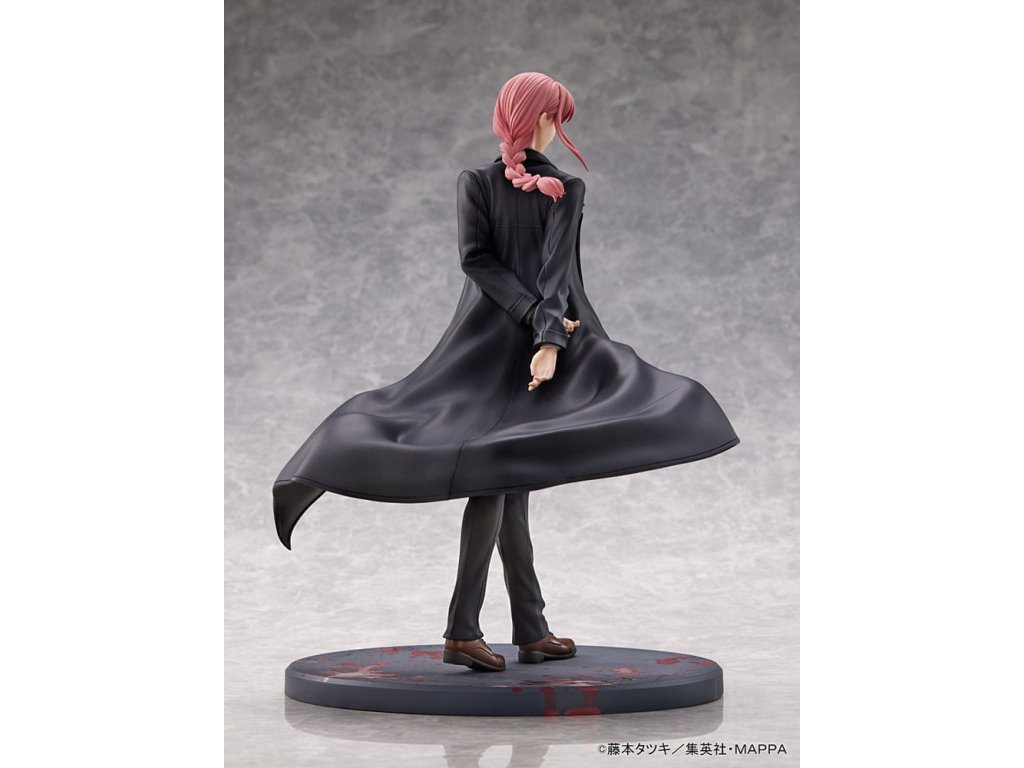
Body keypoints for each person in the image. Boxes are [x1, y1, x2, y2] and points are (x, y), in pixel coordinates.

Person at [273, 72, 739, 673]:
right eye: (557, 117)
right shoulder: (480, 183)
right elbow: (478, 261)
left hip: (537, 340)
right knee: (492, 477)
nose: (558, 129)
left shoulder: (563, 188)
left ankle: (530, 628)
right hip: (490, 348)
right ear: (539, 118)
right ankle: (462, 630)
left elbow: (557, 273)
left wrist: (549, 338)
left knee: (512, 480)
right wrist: (543, 332)